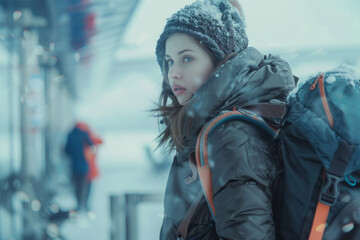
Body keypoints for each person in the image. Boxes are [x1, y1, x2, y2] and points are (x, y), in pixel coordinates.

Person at [153, 0, 296, 239]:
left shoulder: (232, 135)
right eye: (169, 61)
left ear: (222, 61)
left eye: (186, 58)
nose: (173, 73)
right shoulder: (208, 127)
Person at [65, 122, 102, 212]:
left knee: (77, 185)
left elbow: (67, 150)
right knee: (85, 186)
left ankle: (79, 204)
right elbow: (95, 143)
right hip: (85, 165)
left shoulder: (71, 135)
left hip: (74, 166)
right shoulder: (85, 134)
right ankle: (84, 204)